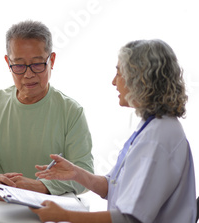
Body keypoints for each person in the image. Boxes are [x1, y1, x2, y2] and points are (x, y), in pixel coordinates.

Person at [32, 39, 196, 223]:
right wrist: (76, 173)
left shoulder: (157, 138)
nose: (113, 81)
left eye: (119, 73)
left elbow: (129, 218)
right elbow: (114, 188)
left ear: (140, 78)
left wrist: (65, 216)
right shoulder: (152, 126)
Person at [0, 20, 94, 199]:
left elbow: (85, 172)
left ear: (52, 60)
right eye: (18, 65)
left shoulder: (71, 111)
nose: (28, 74)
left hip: (53, 210)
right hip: (1, 206)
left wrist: (40, 186)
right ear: (7, 62)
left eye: (37, 64)